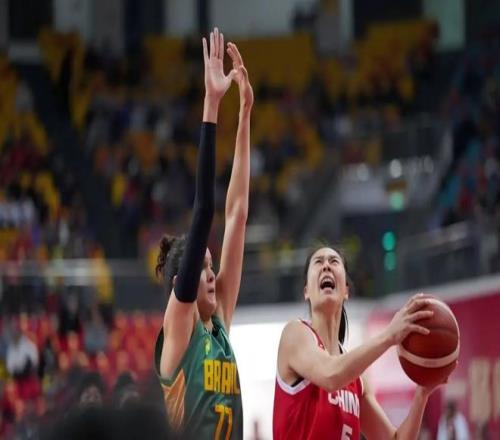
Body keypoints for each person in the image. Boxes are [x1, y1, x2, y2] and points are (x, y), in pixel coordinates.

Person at [154, 27, 253, 439]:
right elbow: (206, 211)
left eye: (212, 267)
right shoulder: (180, 326)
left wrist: (245, 113)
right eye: (204, 266)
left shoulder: (220, 322)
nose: (212, 274)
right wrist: (212, 103)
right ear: (182, 281)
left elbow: (237, 213)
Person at [273, 244, 452, 439]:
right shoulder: (295, 333)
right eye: (318, 262)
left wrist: (422, 394)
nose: (326, 266)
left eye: (333, 261)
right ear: (306, 292)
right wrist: (389, 336)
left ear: (346, 291)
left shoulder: (356, 379)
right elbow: (330, 375)